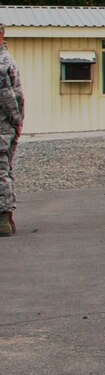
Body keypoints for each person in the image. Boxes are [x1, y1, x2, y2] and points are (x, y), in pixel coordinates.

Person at [0, 23, 22, 236]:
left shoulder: (4, 61)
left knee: (2, 170)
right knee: (3, 170)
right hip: (5, 125)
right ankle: (5, 219)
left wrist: (16, 120)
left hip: (3, 125)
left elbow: (9, 96)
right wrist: (17, 120)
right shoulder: (5, 61)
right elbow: (11, 97)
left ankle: (4, 219)